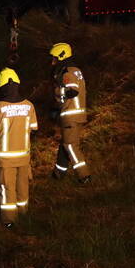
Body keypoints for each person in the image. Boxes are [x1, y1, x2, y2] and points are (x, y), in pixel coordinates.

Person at [0, 68, 38, 227]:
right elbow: (33, 130)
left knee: (6, 190)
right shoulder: (29, 106)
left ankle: (8, 222)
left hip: (5, 160)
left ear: (2, 87)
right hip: (24, 158)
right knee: (22, 189)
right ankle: (24, 217)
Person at [48, 42, 91, 183]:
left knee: (70, 145)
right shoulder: (75, 70)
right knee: (65, 143)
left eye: (54, 58)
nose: (52, 61)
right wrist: (55, 108)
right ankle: (59, 172)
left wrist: (56, 91)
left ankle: (84, 176)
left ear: (61, 56)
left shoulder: (67, 72)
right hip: (76, 114)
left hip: (71, 115)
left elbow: (72, 91)